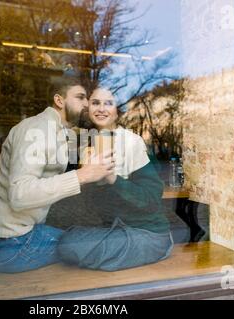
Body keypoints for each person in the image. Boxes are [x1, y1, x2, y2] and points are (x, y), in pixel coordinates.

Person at [0, 80, 116, 274]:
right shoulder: (36, 130)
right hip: (8, 244)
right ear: (59, 100)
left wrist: (94, 166)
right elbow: (20, 194)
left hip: (16, 235)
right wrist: (81, 175)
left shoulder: (61, 132)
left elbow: (88, 168)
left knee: (83, 236)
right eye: (80, 97)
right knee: (92, 244)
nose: (87, 104)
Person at [57, 88, 174, 272]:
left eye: (108, 103)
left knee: (69, 244)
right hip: (114, 228)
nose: (101, 108)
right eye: (95, 103)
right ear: (88, 109)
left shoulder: (132, 142)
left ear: (116, 111)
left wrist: (112, 178)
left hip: (147, 234)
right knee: (63, 237)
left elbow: (151, 199)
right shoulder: (85, 144)